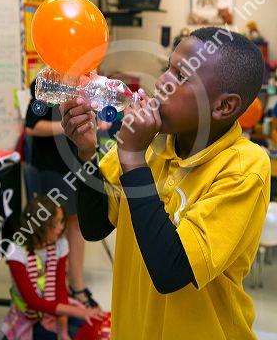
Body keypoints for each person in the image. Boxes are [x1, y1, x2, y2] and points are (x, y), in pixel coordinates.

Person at [61, 27, 270, 340]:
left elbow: (170, 271)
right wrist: (86, 153)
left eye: (181, 76)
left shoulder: (244, 166)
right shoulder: (151, 142)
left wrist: (132, 157)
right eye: (166, 69)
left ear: (223, 106)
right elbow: (94, 227)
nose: (160, 82)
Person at [25, 80, 99, 308]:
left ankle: (76, 285)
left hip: (74, 165)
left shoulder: (84, 82)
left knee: (76, 226)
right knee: (54, 227)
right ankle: (53, 290)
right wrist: (69, 127)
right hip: (51, 168)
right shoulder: (45, 82)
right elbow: (32, 126)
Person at [2, 195, 104, 340]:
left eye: (62, 222)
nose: (62, 227)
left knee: (87, 327)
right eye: (56, 224)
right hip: (28, 318)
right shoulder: (16, 251)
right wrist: (79, 312)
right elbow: (32, 301)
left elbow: (60, 290)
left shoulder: (60, 244)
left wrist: (62, 330)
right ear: (40, 227)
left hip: (55, 310)